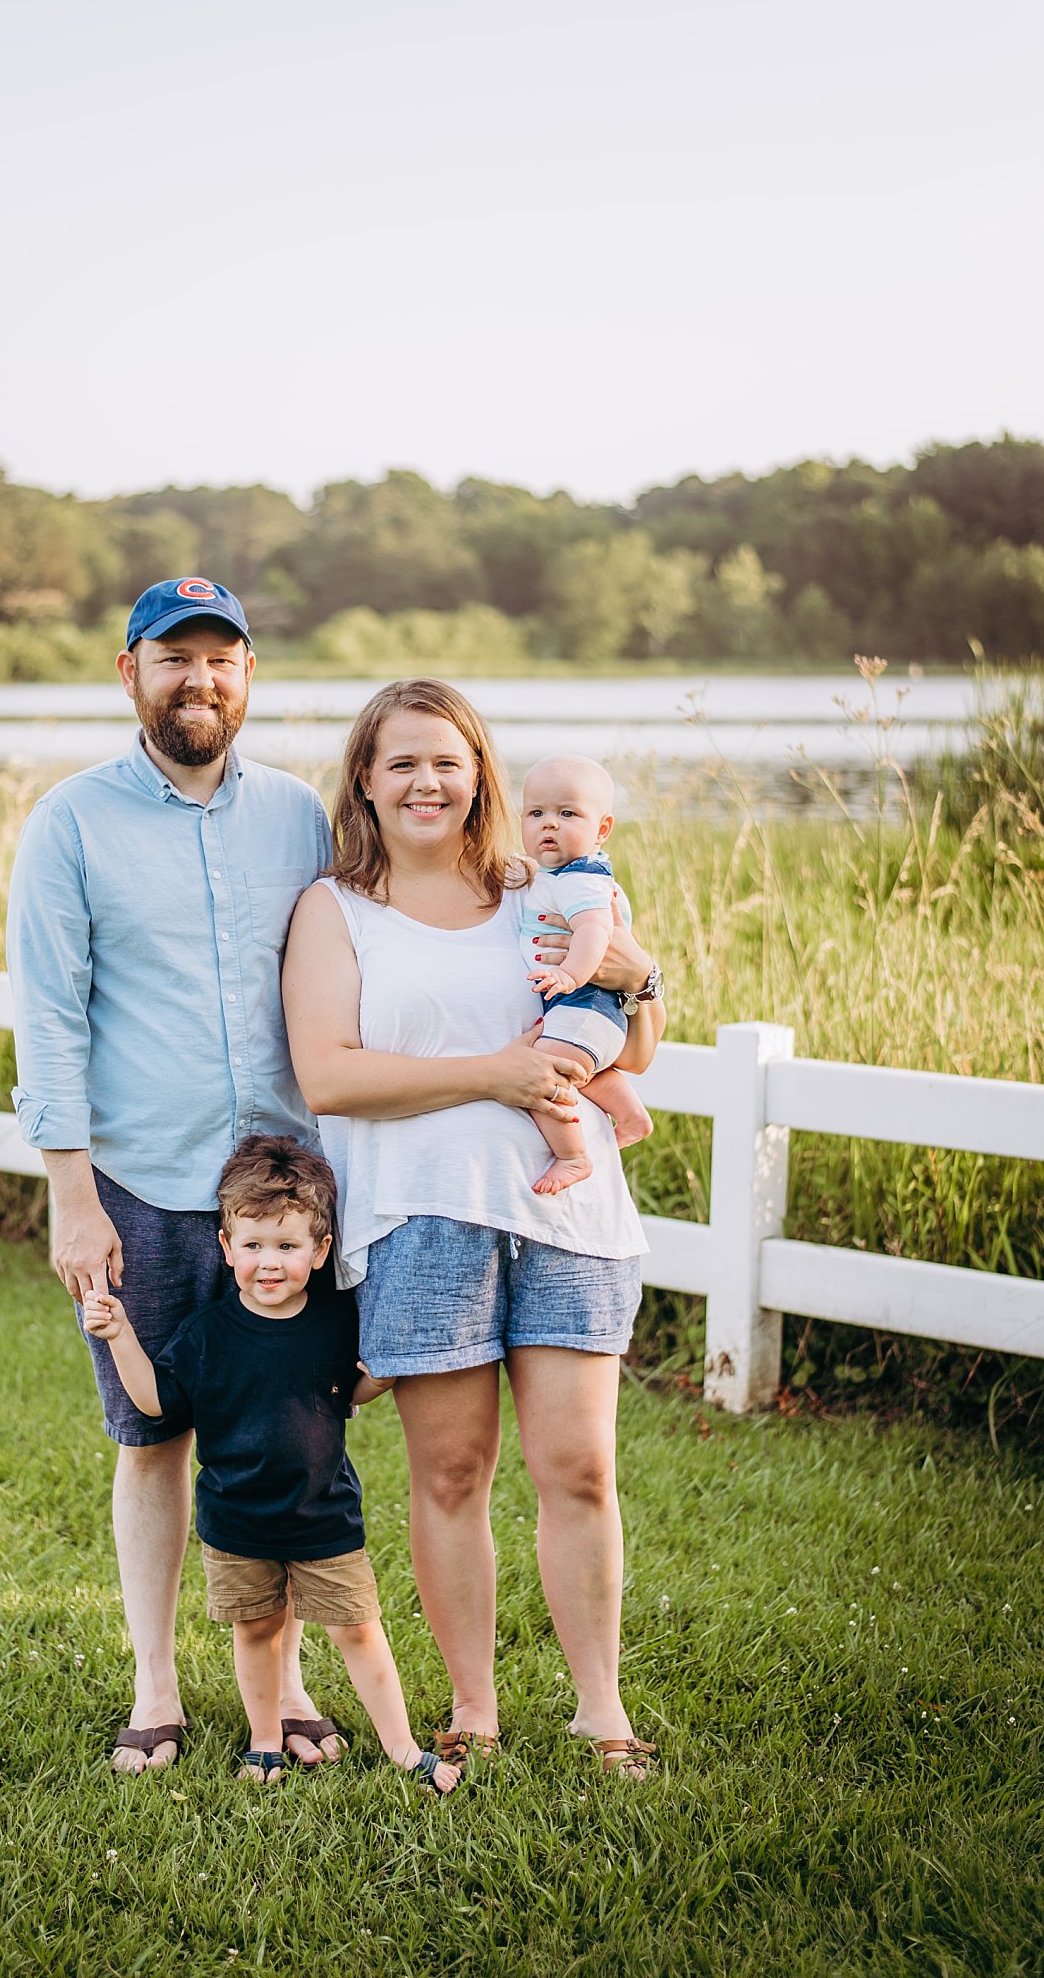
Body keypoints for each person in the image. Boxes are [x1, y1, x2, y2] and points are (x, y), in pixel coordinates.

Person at [282, 678, 666, 1778]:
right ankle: (473, 1707)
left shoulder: (537, 884)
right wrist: (493, 1072)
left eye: (446, 760)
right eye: (400, 761)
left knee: (578, 1467)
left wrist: (643, 976)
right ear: (364, 778)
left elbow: (627, 1048)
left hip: (567, 1215)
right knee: (450, 1472)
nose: (425, 781)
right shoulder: (335, 908)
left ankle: (602, 1710)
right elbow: (328, 1073)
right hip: (420, 1218)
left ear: (478, 774)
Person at [6, 575, 342, 1776]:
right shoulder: (71, 821)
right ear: (129, 670)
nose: (199, 679)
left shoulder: (303, 815)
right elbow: (48, 1017)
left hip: (283, 1194)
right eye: (174, 657)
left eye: (222, 658)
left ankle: (284, 1676)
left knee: (291, 1430)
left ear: (249, 674)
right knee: (150, 1435)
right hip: (139, 1184)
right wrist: (70, 1189)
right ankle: (156, 1683)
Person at [83, 1135, 463, 1794]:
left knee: (357, 1630)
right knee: (255, 1630)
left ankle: (400, 1746)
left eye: (287, 1247)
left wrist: (385, 1376)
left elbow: (348, 1390)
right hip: (236, 1524)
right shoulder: (206, 1334)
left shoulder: (334, 1321)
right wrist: (120, 1337)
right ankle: (264, 1741)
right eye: (253, 1245)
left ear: (319, 1252)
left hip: (323, 1517)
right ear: (225, 1247)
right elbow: (153, 1402)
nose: (268, 1262)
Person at [519, 754, 654, 1194]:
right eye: (536, 814)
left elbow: (597, 931)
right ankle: (632, 1115)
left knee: (542, 1073)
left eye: (567, 814)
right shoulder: (554, 874)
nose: (549, 825)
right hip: (585, 1006)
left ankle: (573, 1156)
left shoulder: (581, 877)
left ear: (602, 830)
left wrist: (571, 975)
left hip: (585, 998)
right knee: (582, 1067)